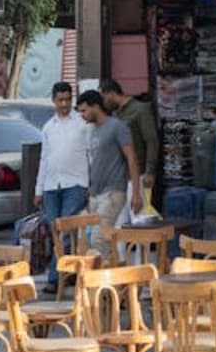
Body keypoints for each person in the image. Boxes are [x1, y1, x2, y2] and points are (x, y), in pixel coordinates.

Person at [34, 81, 92, 290]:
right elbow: (44, 158)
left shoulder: (82, 124)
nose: (65, 104)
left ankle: (54, 278)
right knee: (54, 232)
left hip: (76, 184)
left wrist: (91, 185)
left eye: (68, 99)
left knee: (65, 231)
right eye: (61, 100)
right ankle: (69, 272)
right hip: (51, 185)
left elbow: (91, 155)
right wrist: (38, 189)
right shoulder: (48, 127)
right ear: (53, 100)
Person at [77, 90, 140, 262]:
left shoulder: (117, 127)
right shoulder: (92, 130)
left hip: (113, 192)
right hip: (95, 194)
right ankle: (115, 272)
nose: (82, 115)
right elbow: (95, 162)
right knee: (92, 241)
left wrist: (135, 193)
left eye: (84, 110)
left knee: (99, 239)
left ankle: (101, 277)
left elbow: (132, 158)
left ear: (95, 106)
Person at [101, 80, 161, 212]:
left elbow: (151, 141)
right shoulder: (115, 115)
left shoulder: (140, 109)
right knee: (119, 221)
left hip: (139, 174)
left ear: (111, 93)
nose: (104, 103)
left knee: (139, 216)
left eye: (104, 98)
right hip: (119, 177)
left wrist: (150, 171)